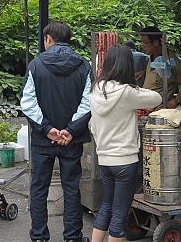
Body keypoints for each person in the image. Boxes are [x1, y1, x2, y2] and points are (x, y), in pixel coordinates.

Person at [20, 21, 92, 242]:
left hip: (43, 141)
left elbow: (28, 103)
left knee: (39, 188)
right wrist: (70, 131)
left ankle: (39, 236)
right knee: (71, 187)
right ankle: (73, 236)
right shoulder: (84, 66)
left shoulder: (35, 65)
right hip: (72, 140)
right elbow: (89, 102)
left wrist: (48, 129)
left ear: (48, 39)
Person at [89, 45, 162, 242]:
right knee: (120, 213)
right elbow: (157, 98)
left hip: (104, 159)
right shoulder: (127, 92)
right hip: (125, 161)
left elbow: (92, 126)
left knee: (106, 206)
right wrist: (136, 86)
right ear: (127, 66)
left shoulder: (96, 90)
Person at [139, 26, 181, 109]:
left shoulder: (170, 60)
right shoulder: (152, 56)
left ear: (156, 43)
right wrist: (144, 73)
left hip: (160, 113)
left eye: (145, 43)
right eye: (142, 43)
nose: (143, 46)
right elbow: (158, 72)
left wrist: (176, 101)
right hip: (146, 109)